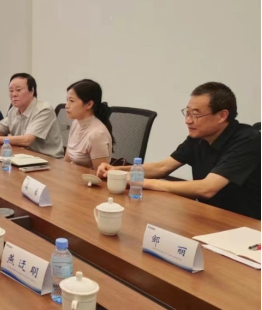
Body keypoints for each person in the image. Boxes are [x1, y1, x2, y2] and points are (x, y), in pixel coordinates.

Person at [98, 82, 261, 220]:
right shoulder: (198, 137)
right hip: (208, 215)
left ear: (222, 116)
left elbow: (207, 188)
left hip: (246, 225)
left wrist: (143, 182)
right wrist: (117, 170)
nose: (188, 121)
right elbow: (162, 167)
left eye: (196, 115)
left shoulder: (248, 140)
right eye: (187, 113)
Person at [0, 73, 65, 159]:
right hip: (24, 156)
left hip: (49, 160)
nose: (14, 94)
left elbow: (27, 140)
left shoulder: (44, 109)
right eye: (11, 91)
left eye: (18, 90)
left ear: (31, 91)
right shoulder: (14, 110)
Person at [64, 79, 114, 169]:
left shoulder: (97, 135)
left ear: (89, 104)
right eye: (67, 100)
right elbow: (66, 161)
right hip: (73, 175)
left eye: (71, 101)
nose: (66, 105)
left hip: (86, 178)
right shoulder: (76, 123)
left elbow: (100, 175)